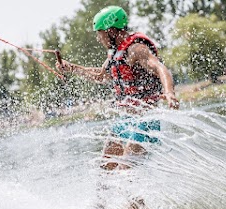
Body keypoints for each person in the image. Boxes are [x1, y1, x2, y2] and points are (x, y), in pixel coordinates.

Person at [56, 6, 179, 171]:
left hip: (145, 122)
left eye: (100, 33)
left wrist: (169, 93)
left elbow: (159, 67)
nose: (99, 38)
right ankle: (104, 199)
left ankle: (135, 197)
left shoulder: (135, 49)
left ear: (112, 31)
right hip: (124, 121)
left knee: (125, 174)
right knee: (106, 171)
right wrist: (72, 68)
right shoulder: (115, 55)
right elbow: (100, 76)